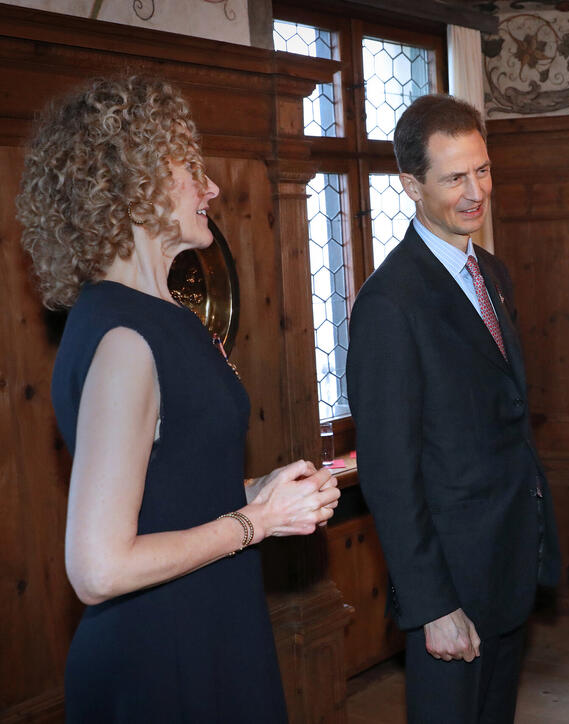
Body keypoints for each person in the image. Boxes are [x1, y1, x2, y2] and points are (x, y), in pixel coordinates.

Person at [15, 76, 341, 722]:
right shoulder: (126, 338)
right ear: (131, 185)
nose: (211, 187)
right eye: (190, 168)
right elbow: (97, 567)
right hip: (161, 660)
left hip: (209, 629)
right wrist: (257, 523)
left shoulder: (164, 318)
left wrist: (260, 491)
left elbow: (171, 493)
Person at [345, 94, 560, 724]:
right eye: (455, 178)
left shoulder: (490, 273)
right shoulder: (391, 303)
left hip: (507, 561)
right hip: (450, 580)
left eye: (483, 170)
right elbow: (388, 470)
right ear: (411, 185)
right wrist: (432, 603)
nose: (476, 192)